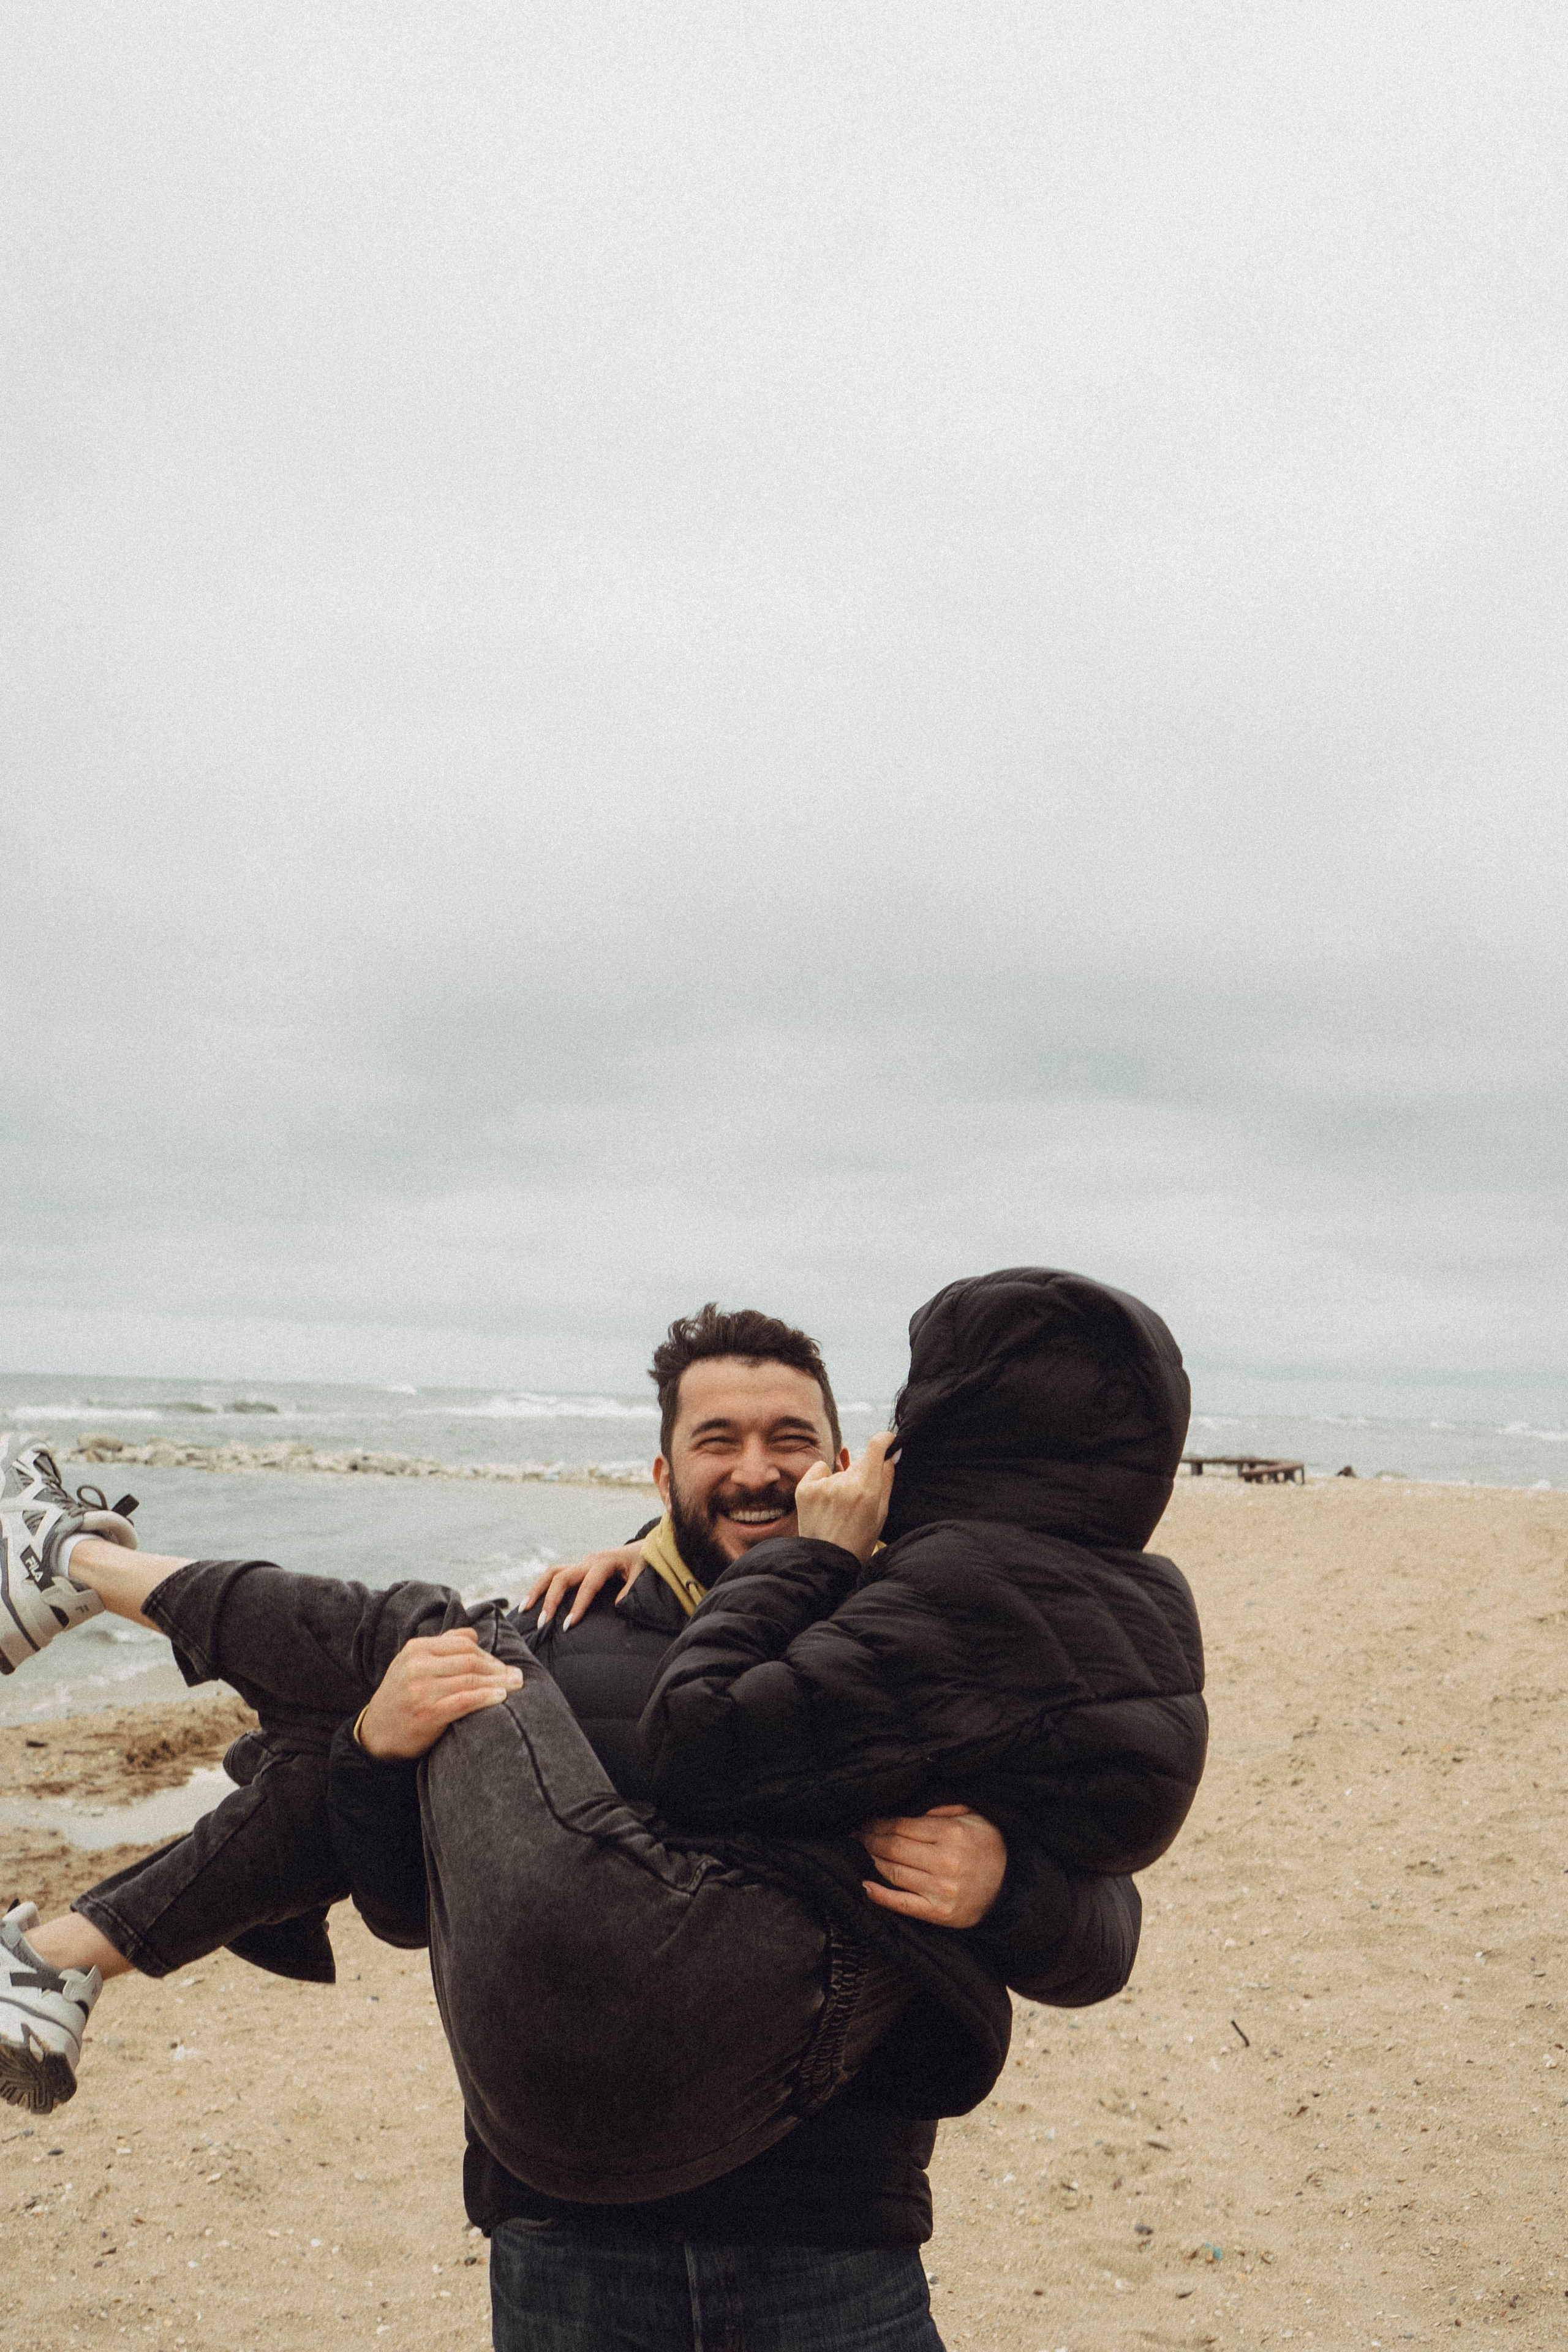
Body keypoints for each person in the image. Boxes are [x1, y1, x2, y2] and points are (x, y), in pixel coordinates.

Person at [0, 1278, 1199, 2345]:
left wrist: (1007, 1885)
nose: (756, 1468)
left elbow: (1103, 1936)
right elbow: (413, 1909)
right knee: (415, 1666)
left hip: (828, 2242)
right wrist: (375, 1747)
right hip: (568, 2251)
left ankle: (75, 1577)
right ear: (662, 1472)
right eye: (715, 1439)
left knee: (422, 1636)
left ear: (859, 1465)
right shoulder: (564, 1640)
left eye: (792, 1438)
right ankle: (72, 1627)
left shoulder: (929, 1631)